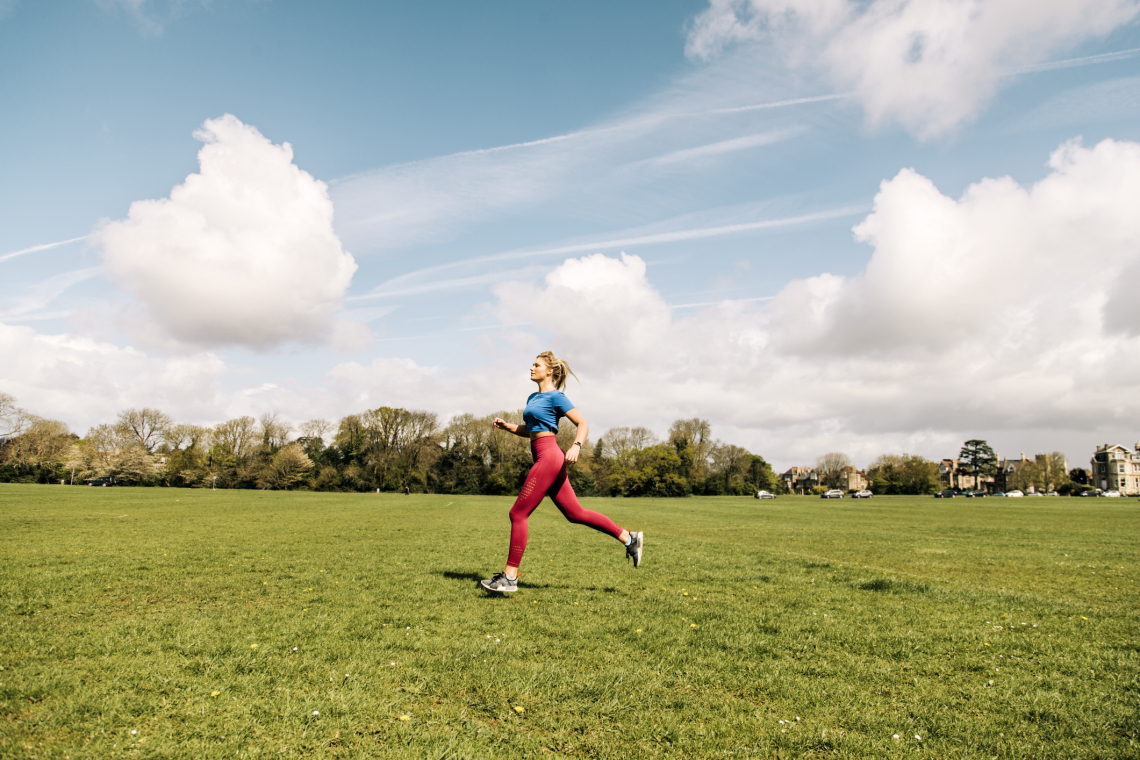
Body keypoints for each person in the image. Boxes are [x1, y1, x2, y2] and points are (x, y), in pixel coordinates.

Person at [480, 351, 643, 594]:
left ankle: (510, 577)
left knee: (518, 513)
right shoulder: (533, 397)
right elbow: (533, 430)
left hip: (550, 456)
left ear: (550, 371)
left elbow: (582, 423)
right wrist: (509, 427)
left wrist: (576, 446)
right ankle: (630, 540)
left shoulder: (558, 397)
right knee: (575, 513)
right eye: (532, 364)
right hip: (541, 454)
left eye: (537, 365)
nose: (532, 368)